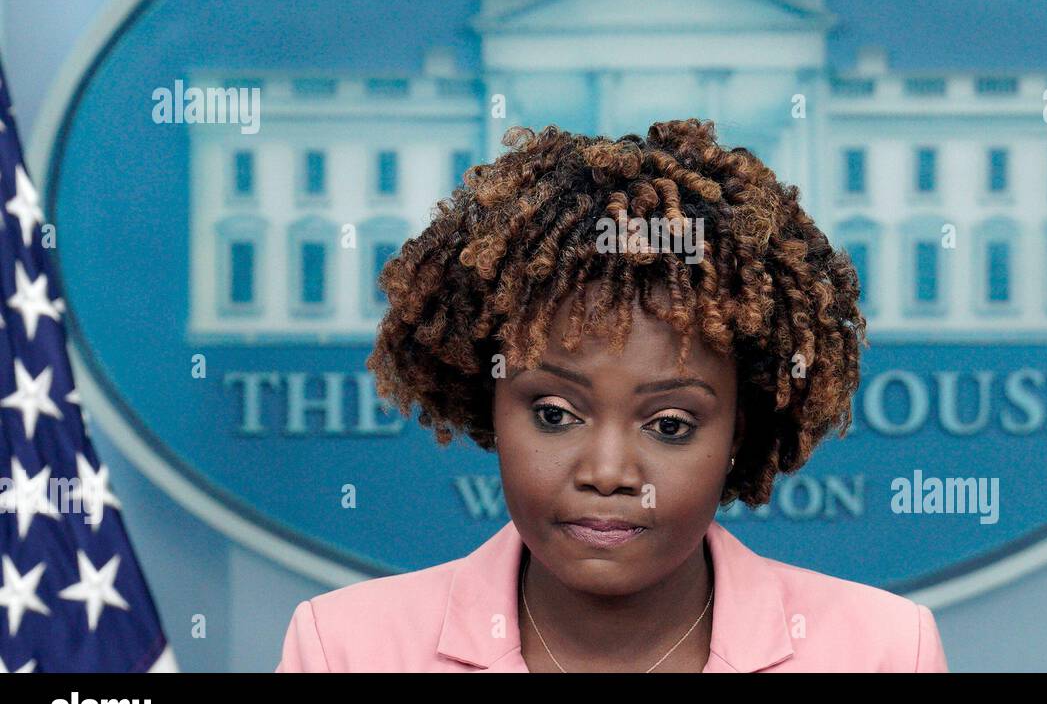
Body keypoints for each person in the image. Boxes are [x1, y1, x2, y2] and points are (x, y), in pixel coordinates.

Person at [275, 118, 948, 672]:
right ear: (490, 404)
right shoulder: (346, 651)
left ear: (739, 430)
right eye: (554, 415)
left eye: (671, 424)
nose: (607, 472)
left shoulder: (882, 652)